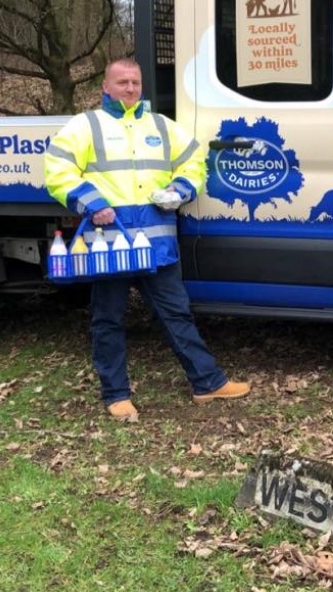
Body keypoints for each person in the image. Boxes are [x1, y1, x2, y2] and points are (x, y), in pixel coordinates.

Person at [44, 58, 250, 420]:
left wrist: (181, 188)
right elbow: (57, 170)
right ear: (105, 87)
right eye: (122, 82)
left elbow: (194, 161)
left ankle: (208, 383)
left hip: (157, 245)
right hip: (112, 246)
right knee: (108, 320)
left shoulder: (160, 126)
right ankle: (116, 395)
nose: (130, 88)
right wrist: (92, 204)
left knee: (176, 314)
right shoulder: (86, 126)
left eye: (135, 83)